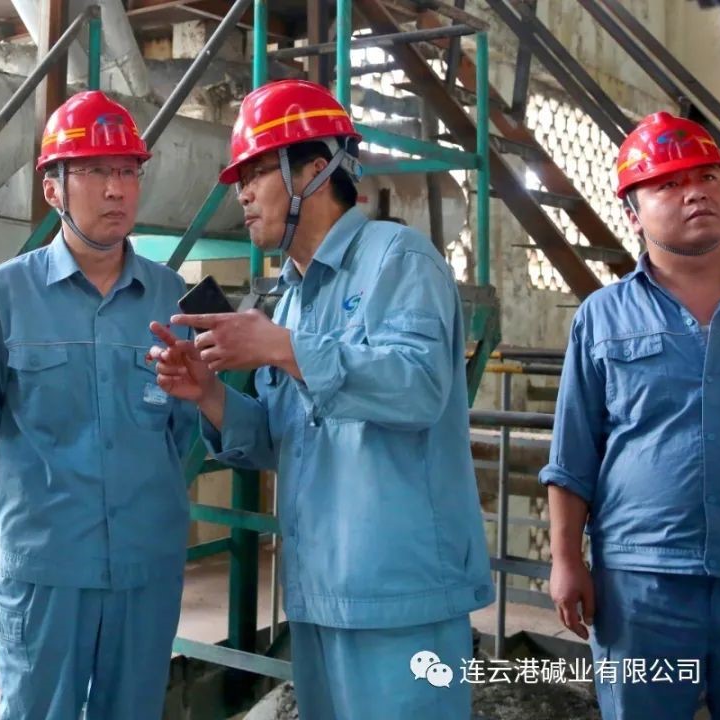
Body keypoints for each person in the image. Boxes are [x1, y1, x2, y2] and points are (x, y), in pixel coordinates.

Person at [148, 79, 494, 719]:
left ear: (315, 169)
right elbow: (282, 440)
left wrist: (285, 348)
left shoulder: (399, 259)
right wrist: (210, 395)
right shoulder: (293, 300)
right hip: (316, 594)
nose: (242, 193)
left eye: (256, 172)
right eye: (239, 178)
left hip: (400, 598)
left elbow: (419, 387)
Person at [0, 90, 196, 720]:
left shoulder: (172, 299)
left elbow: (185, 431)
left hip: (145, 566)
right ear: (53, 189)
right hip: (47, 570)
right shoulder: (1, 296)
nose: (116, 189)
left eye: (128, 171)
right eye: (94, 171)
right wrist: (42, 520)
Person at [541, 111, 720, 719]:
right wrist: (566, 559)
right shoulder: (602, 317)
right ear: (632, 213)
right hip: (641, 586)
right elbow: (573, 454)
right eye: (669, 184)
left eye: (708, 176)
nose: (696, 192)